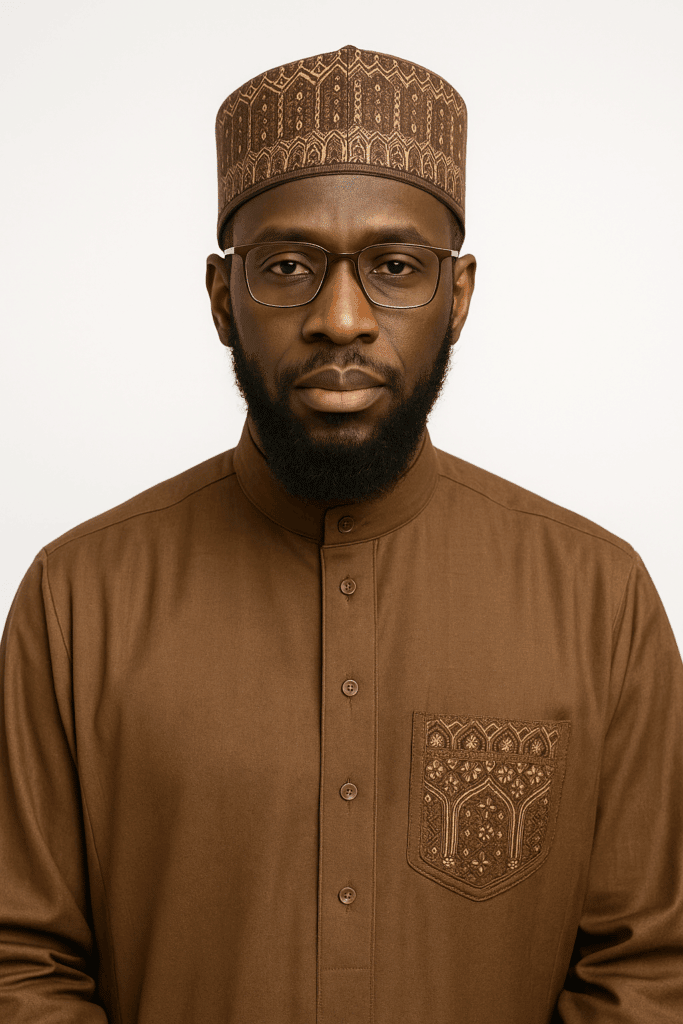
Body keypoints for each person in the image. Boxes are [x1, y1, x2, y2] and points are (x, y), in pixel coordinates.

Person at [0, 42, 681, 1024]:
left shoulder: (598, 599)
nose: (341, 317)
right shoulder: (77, 600)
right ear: (220, 297)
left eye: (394, 266)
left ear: (457, 295)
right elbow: (21, 962)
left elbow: (650, 971)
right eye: (287, 266)